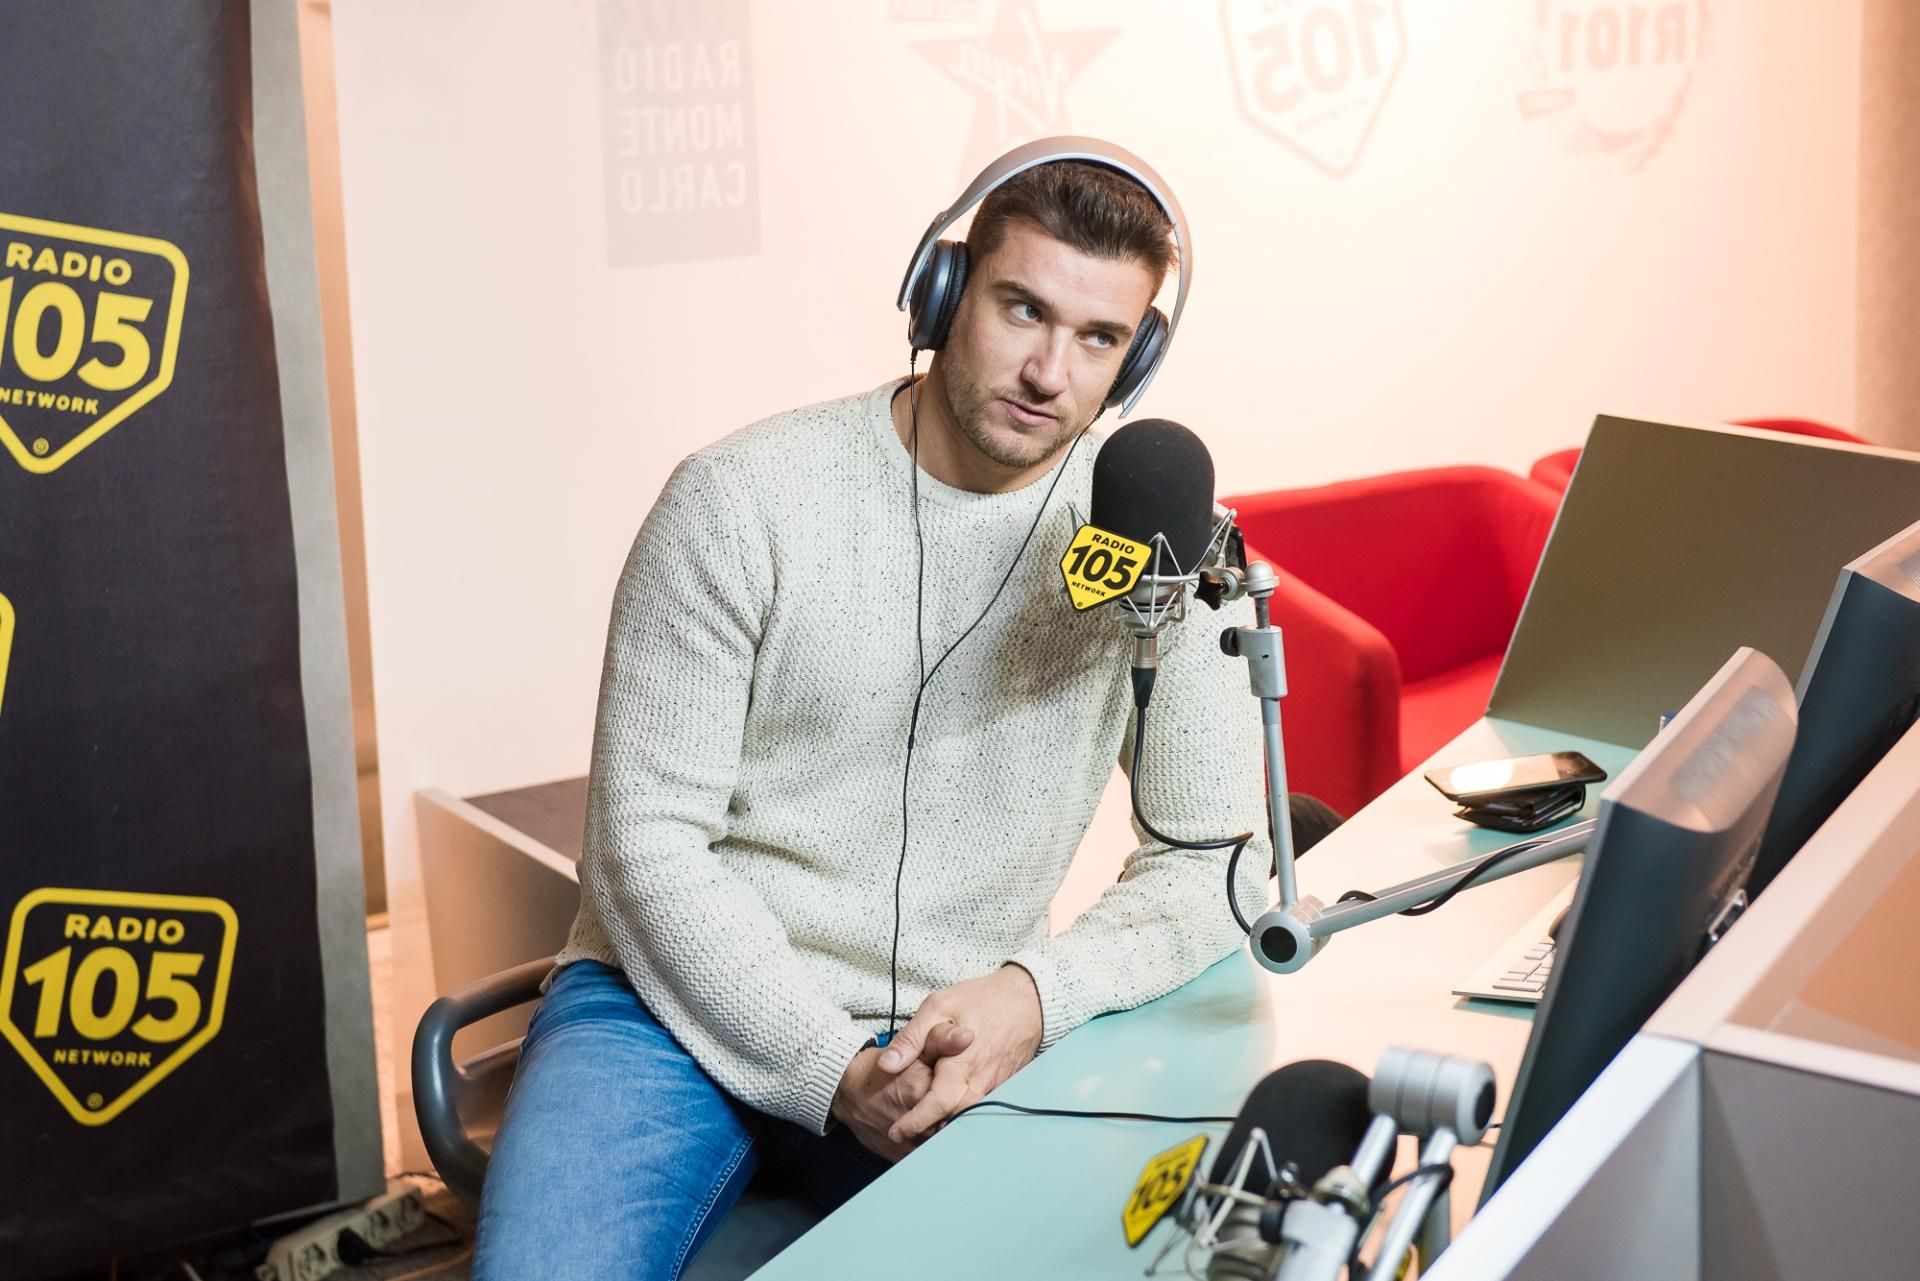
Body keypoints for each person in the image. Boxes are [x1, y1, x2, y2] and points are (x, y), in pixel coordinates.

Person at [471, 142, 1337, 1280]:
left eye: (1098, 338)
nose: (1049, 372)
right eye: (1022, 309)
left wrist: (1034, 995)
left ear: (1136, 361)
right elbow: (647, 846)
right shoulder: (738, 503)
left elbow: (1214, 863)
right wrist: (830, 1068)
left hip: (949, 1023)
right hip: (663, 1011)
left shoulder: (1162, 547)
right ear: (942, 294)